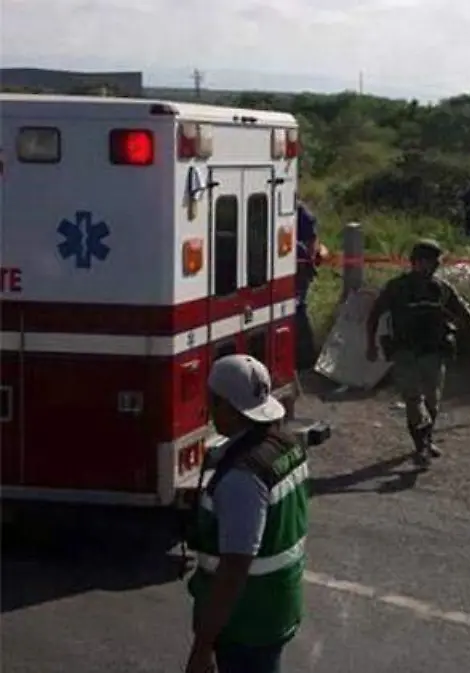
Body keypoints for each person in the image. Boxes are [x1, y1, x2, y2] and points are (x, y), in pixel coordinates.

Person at [185, 354, 309, 673]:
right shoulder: (287, 446)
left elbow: (234, 568)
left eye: (214, 403)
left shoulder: (242, 477)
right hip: (278, 605)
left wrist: (202, 647)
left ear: (229, 407)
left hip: (247, 622)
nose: (211, 411)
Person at [364, 239, 470, 468]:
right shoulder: (396, 288)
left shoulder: (441, 289)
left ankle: (425, 440)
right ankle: (421, 447)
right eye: (430, 262)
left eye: (435, 263)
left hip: (433, 350)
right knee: (413, 399)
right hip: (405, 350)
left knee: (432, 401)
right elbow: (374, 314)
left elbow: (464, 313)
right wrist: (370, 345)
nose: (433, 267)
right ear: (417, 262)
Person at [295, 203, 327, 369]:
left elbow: (312, 239)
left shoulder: (300, 211)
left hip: (298, 274)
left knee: (298, 310)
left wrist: (309, 260)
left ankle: (306, 359)